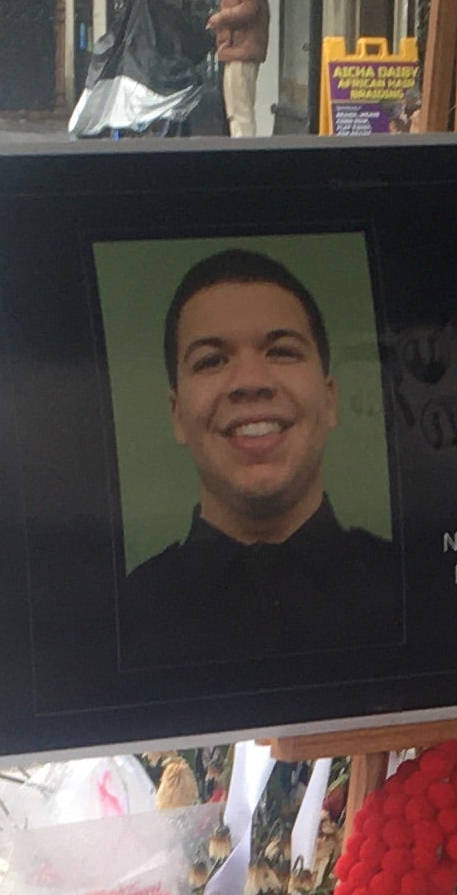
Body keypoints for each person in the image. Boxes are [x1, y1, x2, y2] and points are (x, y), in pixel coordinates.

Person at [118, 246, 400, 670]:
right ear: (177, 415)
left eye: (282, 351)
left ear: (330, 399)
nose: (250, 382)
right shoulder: (119, 620)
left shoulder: (414, 589)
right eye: (211, 360)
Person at [205, 0, 269, 136]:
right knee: (237, 110)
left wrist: (221, 18)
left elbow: (249, 8)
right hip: (238, 50)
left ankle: (244, 153)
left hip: (241, 51)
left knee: (240, 112)